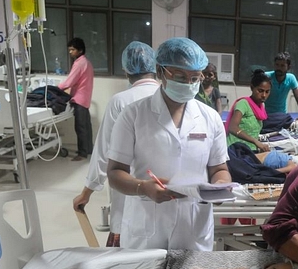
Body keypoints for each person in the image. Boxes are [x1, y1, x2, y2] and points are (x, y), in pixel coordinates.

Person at [107, 37, 231, 251]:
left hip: (193, 225)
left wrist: (220, 187)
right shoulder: (133, 115)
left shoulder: (210, 118)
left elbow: (219, 169)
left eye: (194, 78)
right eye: (180, 76)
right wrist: (143, 188)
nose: (188, 84)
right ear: (160, 71)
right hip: (146, 225)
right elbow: (115, 172)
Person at [72, 41, 159, 247]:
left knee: (126, 253)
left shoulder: (121, 101)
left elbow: (104, 151)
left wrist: (87, 192)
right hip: (163, 191)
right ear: (155, 67)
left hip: (128, 189)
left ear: (126, 70)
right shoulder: (168, 100)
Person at [58, 37, 94, 161]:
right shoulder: (87, 62)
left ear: (80, 50)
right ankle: (88, 149)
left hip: (79, 99)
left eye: (72, 50)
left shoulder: (79, 63)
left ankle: (82, 154)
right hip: (85, 99)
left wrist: (54, 89)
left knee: (80, 127)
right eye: (69, 50)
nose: (70, 52)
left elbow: (69, 82)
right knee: (86, 126)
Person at [225, 69, 271, 153]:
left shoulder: (261, 106)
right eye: (260, 91)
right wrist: (255, 141)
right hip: (235, 150)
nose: (264, 95)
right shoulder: (243, 104)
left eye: (267, 92)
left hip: (251, 151)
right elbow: (233, 127)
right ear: (252, 88)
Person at [264, 52, 298, 117]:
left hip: (282, 116)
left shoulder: (291, 78)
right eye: (277, 65)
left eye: (282, 66)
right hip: (265, 115)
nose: (279, 68)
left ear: (288, 67)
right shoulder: (266, 77)